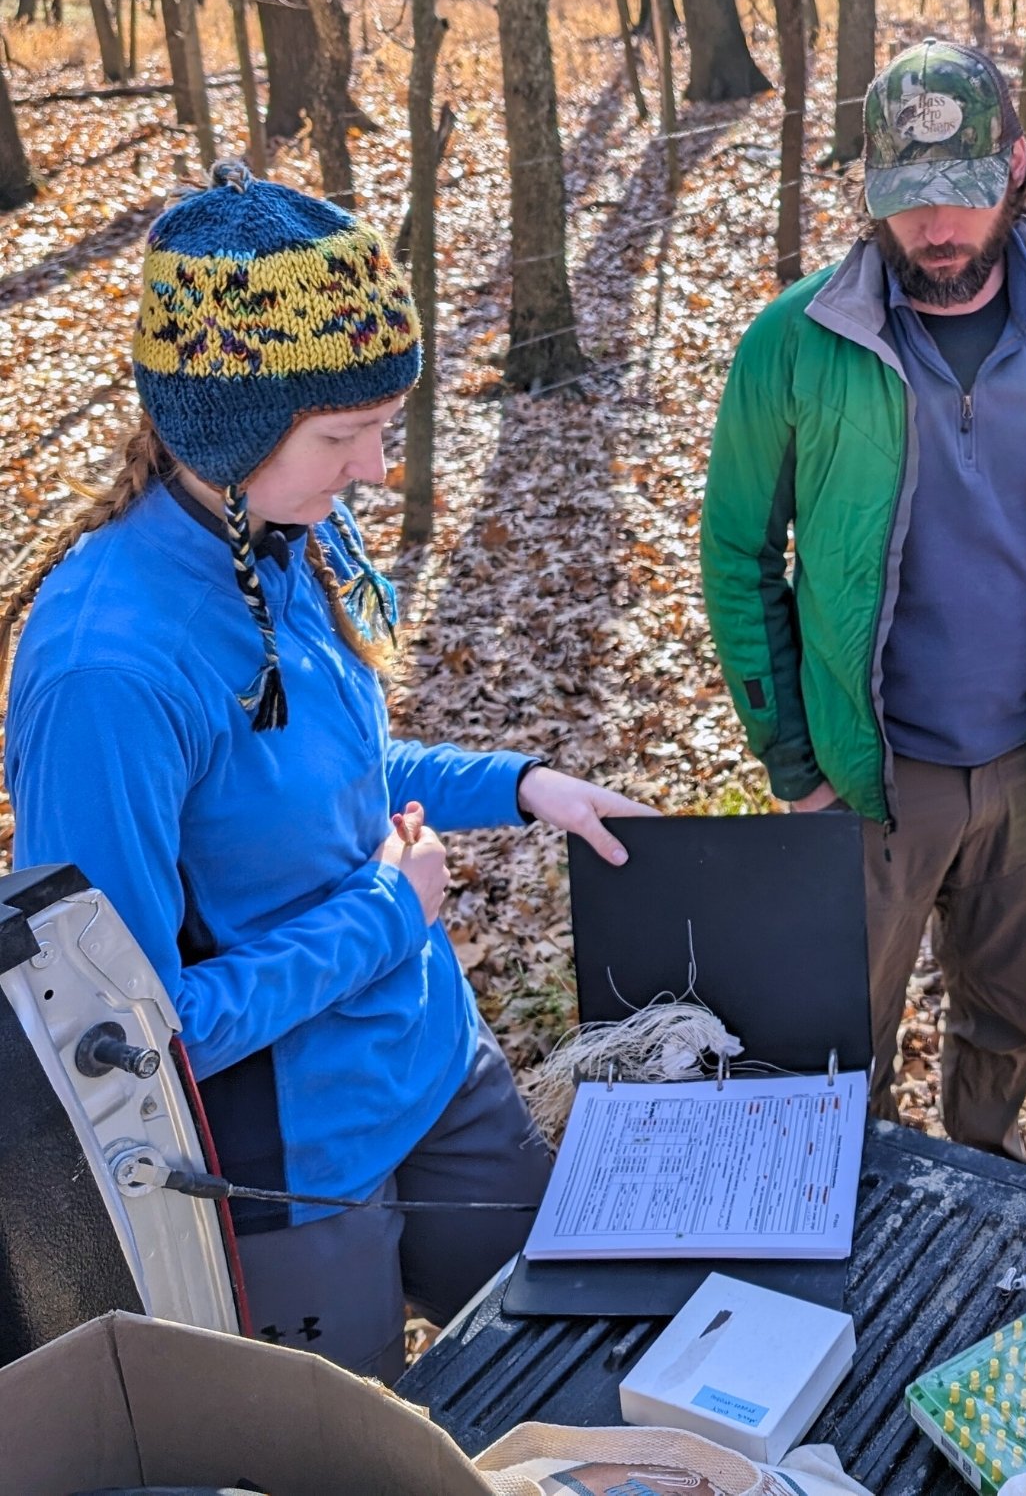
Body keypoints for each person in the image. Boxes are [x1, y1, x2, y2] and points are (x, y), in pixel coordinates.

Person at [1, 163, 650, 1379]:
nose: (372, 471)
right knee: (362, 1451)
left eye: (382, 429)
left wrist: (518, 786)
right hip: (288, 1164)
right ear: (227, 430)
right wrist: (387, 912)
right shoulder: (108, 671)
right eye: (343, 437)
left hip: (430, 1059)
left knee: (575, 1361)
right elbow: (131, 1032)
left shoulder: (287, 530)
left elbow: (320, 775)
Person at [702, 40, 1026, 1160]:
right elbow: (738, 557)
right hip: (871, 775)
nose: (938, 229)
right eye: (909, 203)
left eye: (961, 194)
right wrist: (794, 766)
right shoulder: (796, 344)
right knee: (839, 1035)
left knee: (1001, 1018)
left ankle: (986, 1186)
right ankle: (843, 1212)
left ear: (1014, 167)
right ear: (870, 196)